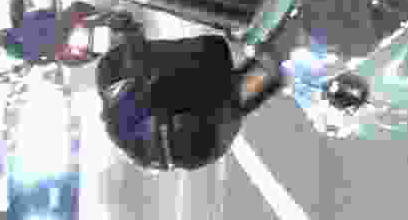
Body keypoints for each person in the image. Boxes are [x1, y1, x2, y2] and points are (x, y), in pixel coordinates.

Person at [95, 32, 285, 172]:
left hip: (207, 147)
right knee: (213, 55)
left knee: (223, 97)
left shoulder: (123, 129)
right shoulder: (128, 85)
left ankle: (268, 72)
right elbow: (203, 50)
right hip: (205, 132)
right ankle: (267, 69)